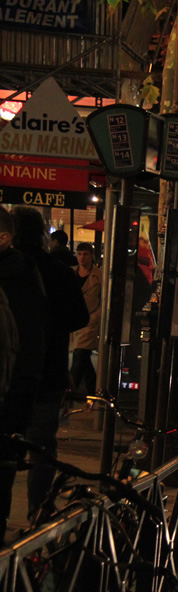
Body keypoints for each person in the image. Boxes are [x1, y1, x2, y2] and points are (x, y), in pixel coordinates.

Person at [11, 207, 88, 522]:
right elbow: (79, 318)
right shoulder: (60, 272)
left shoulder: (8, 270)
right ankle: (38, 512)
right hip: (48, 371)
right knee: (42, 446)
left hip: (9, 375)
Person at [0, 207, 48, 544]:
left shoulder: (13, 280)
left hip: (13, 396)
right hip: (23, 392)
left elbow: (15, 347)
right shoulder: (30, 275)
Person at [69, 242, 102, 395]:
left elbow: (104, 301)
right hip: (73, 322)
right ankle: (93, 391)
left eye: (85, 254)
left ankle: (69, 392)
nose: (82, 257)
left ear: (91, 255)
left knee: (79, 355)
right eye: (79, 254)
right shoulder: (71, 273)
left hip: (88, 322)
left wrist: (95, 317)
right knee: (84, 361)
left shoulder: (98, 276)